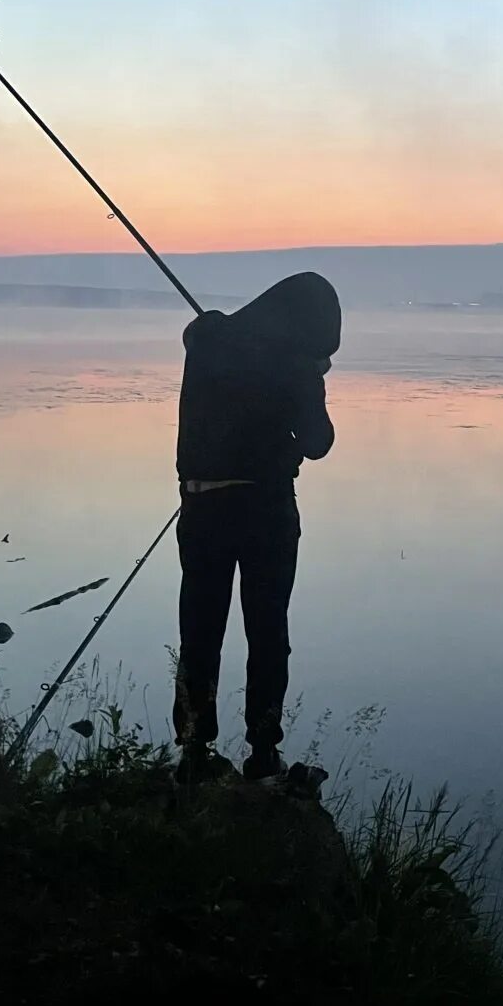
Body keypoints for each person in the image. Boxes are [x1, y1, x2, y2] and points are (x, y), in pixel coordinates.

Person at [172, 272, 340, 783]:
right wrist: (315, 376)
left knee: (200, 632)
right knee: (267, 634)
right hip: (265, 511)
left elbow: (193, 334)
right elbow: (318, 442)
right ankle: (264, 754)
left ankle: (195, 752)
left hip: (201, 507)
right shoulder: (294, 363)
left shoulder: (209, 340)